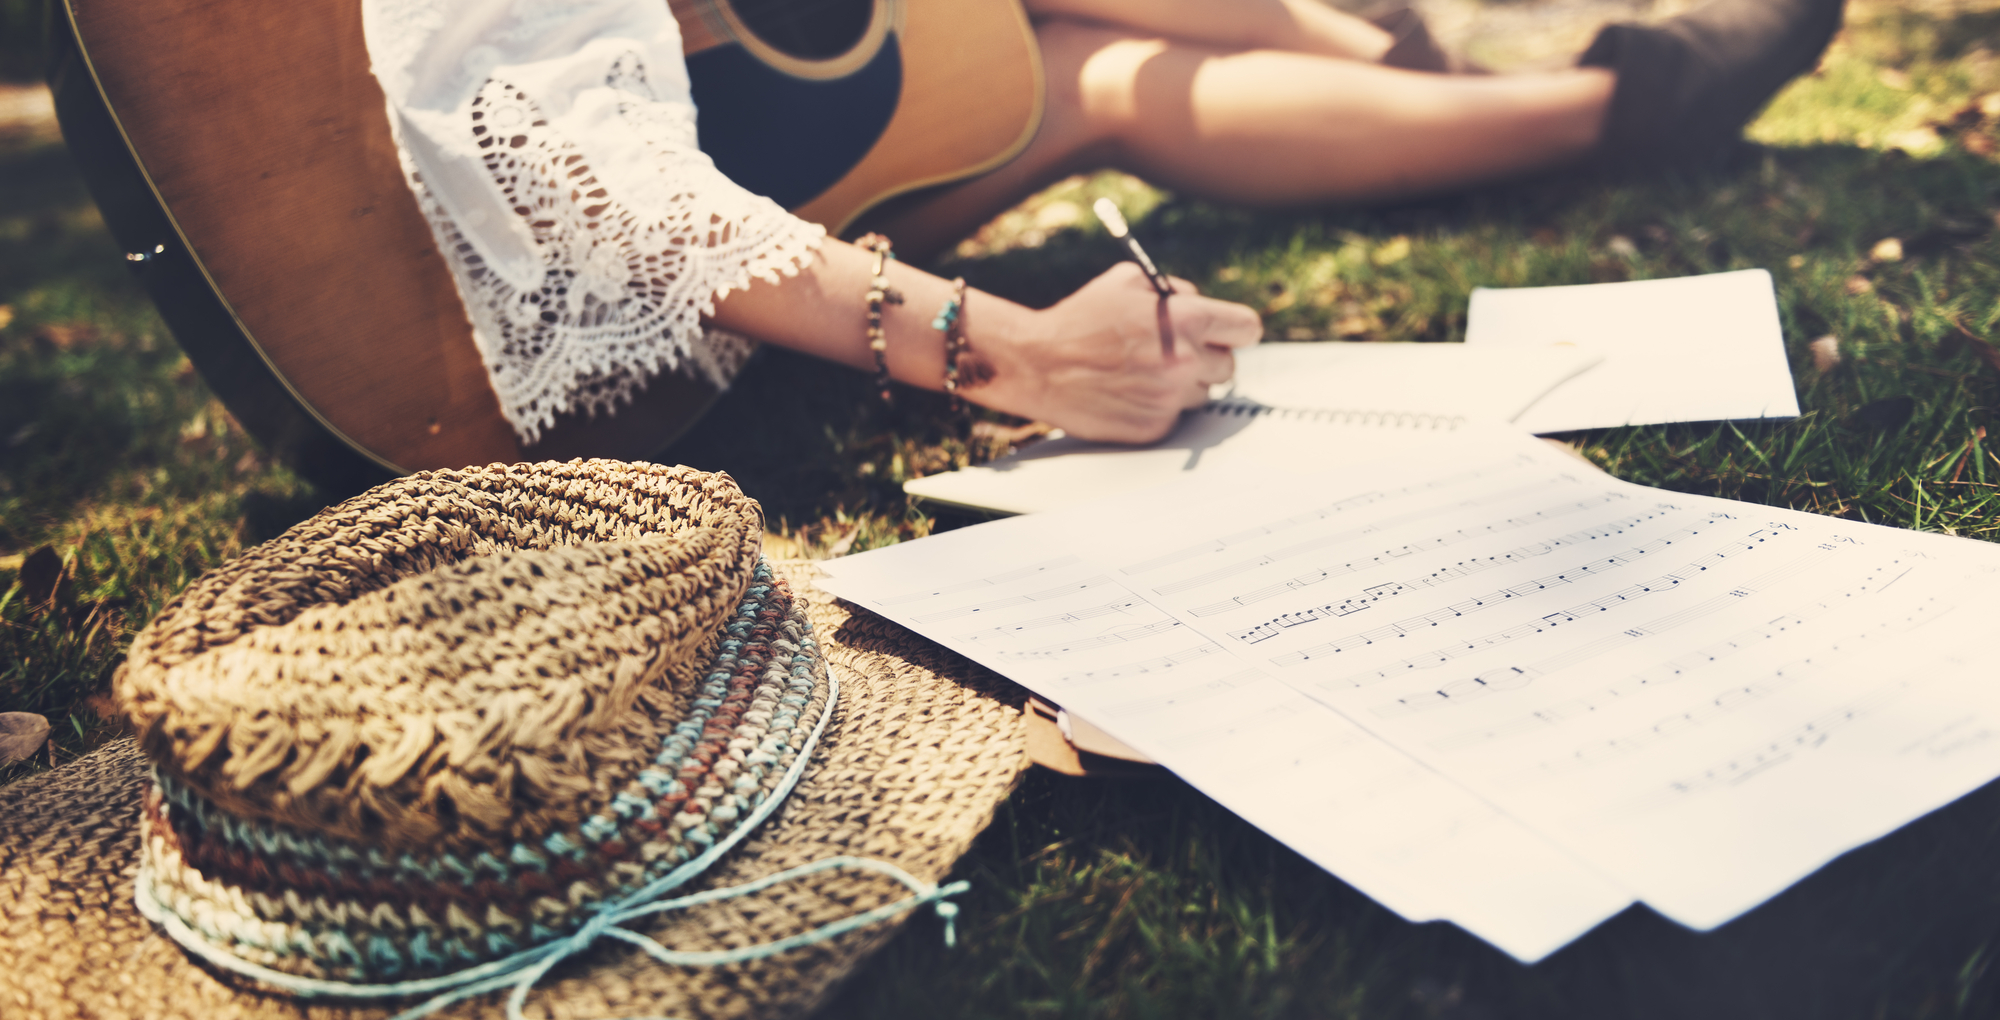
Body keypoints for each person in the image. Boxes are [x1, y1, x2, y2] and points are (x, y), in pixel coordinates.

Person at [361, 0, 1843, 451]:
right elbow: (586, 179)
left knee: (1090, 76)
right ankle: (1484, 74)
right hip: (467, 286)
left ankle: (1574, 99)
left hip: (753, 112)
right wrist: (1010, 350)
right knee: (1090, 73)